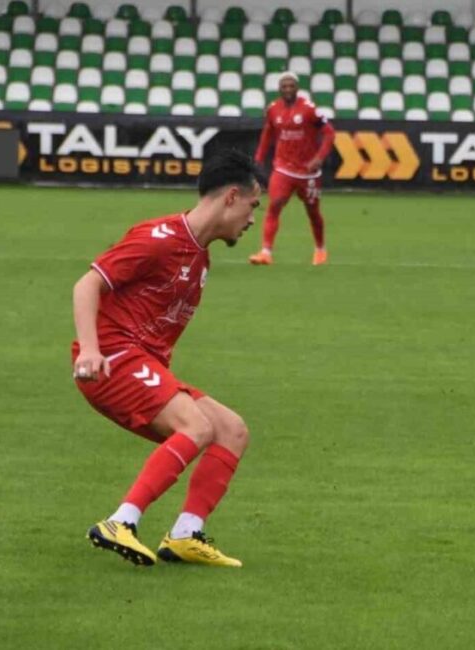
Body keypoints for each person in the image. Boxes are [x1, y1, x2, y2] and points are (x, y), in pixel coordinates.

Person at [73, 149, 260, 568]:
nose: (253, 219)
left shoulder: (199, 257)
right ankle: (120, 521)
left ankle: (185, 534)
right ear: (231, 196)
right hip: (112, 358)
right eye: (253, 205)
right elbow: (87, 285)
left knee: (231, 429)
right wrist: (89, 349)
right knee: (195, 425)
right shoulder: (158, 238)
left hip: (141, 363)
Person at [249, 71, 336, 266]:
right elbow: (267, 134)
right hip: (283, 169)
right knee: (274, 206)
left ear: (297, 88)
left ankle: (320, 250)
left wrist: (319, 158)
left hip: (308, 172)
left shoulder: (309, 109)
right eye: (284, 86)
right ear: (279, 88)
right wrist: (259, 158)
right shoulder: (273, 109)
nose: (288, 89)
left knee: (313, 212)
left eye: (291, 85)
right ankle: (265, 252)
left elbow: (329, 133)